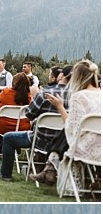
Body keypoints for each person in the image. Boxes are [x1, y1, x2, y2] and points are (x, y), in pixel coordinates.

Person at [0, 66, 72, 182]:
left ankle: (5, 174)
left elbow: (29, 114)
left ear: (61, 76)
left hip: (41, 139)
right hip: (65, 143)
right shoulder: (77, 96)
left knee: (8, 138)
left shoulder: (45, 93)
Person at [41, 59, 101, 189]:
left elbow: (71, 128)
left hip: (88, 149)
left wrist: (60, 106)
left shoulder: (79, 97)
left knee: (65, 132)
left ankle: (51, 164)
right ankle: (50, 166)